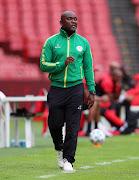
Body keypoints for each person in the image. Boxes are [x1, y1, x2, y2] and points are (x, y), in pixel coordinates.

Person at [40, 11, 96, 171]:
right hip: (56, 88)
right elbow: (43, 65)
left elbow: (88, 67)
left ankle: (68, 160)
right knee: (54, 124)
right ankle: (59, 148)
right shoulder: (51, 42)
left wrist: (91, 90)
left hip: (76, 89)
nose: (73, 22)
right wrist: (61, 64)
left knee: (72, 126)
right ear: (61, 22)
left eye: (75, 19)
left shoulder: (83, 42)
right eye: (69, 19)